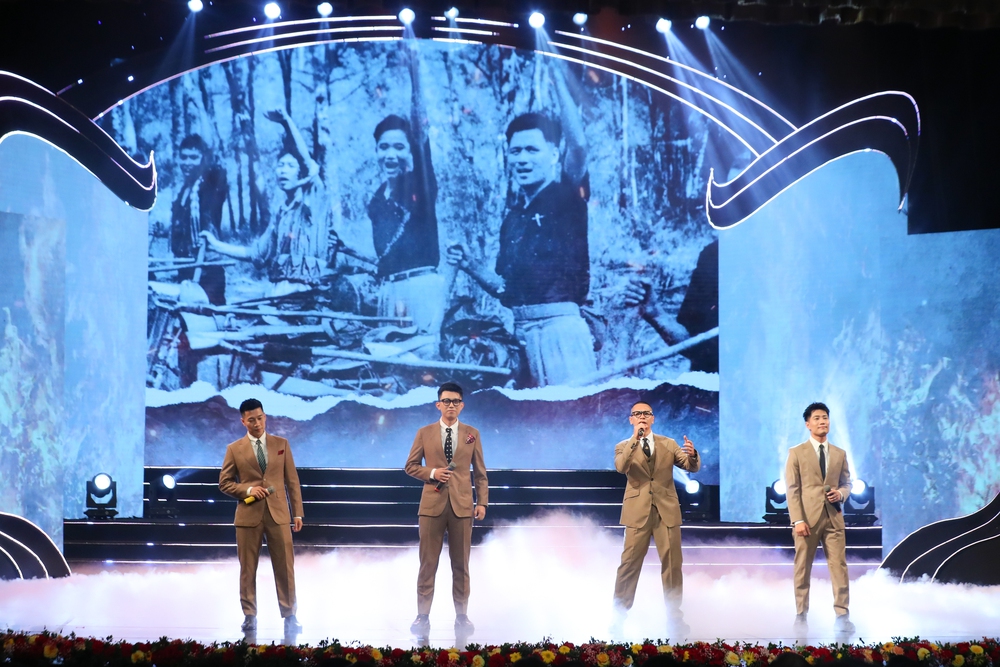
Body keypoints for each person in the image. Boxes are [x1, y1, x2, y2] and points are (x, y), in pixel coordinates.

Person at [447, 62, 594, 387]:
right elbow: (506, 290)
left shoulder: (567, 197)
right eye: (515, 152)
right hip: (520, 337)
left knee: (571, 415)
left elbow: (579, 146)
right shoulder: (512, 219)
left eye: (531, 150)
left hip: (561, 335)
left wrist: (557, 77)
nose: (522, 159)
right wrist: (470, 264)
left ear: (553, 155)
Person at [202, 107, 330, 296]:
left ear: (302, 173)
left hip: (308, 298)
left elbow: (307, 161)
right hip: (278, 297)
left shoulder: (315, 199)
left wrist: (286, 122)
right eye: (280, 165)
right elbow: (255, 253)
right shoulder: (281, 214)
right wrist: (215, 244)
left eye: (290, 166)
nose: (283, 170)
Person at [367, 40, 444, 333]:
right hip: (389, 291)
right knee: (387, 358)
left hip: (421, 288)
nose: (391, 154)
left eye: (399, 147)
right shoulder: (376, 199)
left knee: (421, 357)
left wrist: (414, 73)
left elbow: (420, 125)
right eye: (383, 147)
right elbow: (387, 253)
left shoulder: (420, 183)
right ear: (376, 151)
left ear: (411, 151)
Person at [404, 382, 488, 638]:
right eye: (447, 401)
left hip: (462, 507)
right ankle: (422, 616)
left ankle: (462, 616)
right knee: (428, 563)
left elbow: (480, 473)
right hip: (432, 506)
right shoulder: (424, 433)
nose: (451, 405)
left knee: (461, 564)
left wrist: (482, 502)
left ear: (462, 406)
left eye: (456, 401)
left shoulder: (472, 434)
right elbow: (410, 466)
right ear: (438, 404)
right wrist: (432, 473)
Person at [611, 400, 700, 638]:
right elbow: (621, 466)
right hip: (637, 513)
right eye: (637, 414)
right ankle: (618, 617)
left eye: (646, 413)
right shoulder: (623, 446)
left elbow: (690, 466)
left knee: (672, 565)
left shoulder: (668, 444)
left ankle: (675, 618)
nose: (642, 417)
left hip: (666, 512)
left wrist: (692, 455)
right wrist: (635, 439)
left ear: (653, 418)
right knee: (629, 565)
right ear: (631, 419)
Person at [219, 398, 304, 637]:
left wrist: (297, 512)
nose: (256, 423)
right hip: (248, 516)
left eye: (259, 418)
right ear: (243, 422)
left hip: (279, 515)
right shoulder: (234, 449)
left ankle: (290, 614)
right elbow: (224, 483)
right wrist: (247, 490)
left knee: (285, 566)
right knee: (248, 568)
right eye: (251, 420)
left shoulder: (281, 444)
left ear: (265, 417)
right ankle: (249, 615)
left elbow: (292, 481)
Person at [785, 402, 855, 634]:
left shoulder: (839, 453)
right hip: (806, 520)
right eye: (817, 418)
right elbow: (792, 489)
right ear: (808, 424)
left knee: (839, 567)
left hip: (833, 517)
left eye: (825, 417)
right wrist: (797, 520)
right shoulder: (797, 452)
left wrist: (841, 494)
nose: (822, 421)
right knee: (802, 567)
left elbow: (847, 483)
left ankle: (842, 615)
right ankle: (801, 615)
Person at [169, 134, 229, 305]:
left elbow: (218, 168)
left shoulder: (210, 187)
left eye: (194, 157)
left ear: (203, 158)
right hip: (185, 266)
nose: (187, 162)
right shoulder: (183, 191)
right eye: (183, 157)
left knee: (210, 315)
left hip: (208, 269)